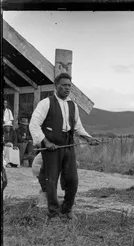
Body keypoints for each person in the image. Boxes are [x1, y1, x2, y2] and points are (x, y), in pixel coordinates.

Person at [29, 72, 99, 224]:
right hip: (52, 147)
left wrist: (88, 138)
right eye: (64, 85)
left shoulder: (73, 105)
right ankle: (53, 213)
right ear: (56, 86)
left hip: (68, 146)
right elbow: (34, 125)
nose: (67, 88)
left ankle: (67, 210)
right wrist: (45, 142)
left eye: (69, 86)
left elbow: (78, 127)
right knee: (51, 180)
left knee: (72, 179)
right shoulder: (46, 103)